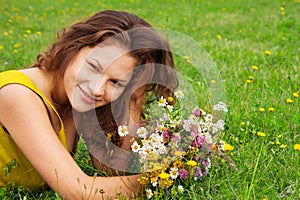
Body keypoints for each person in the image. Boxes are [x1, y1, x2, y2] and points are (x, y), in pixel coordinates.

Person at [0, 10, 178, 199]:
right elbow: (78, 191)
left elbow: (112, 170)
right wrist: (163, 177)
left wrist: (134, 95)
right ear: (74, 47)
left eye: (115, 82)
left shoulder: (79, 103)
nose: (96, 89)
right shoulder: (15, 94)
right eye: (93, 67)